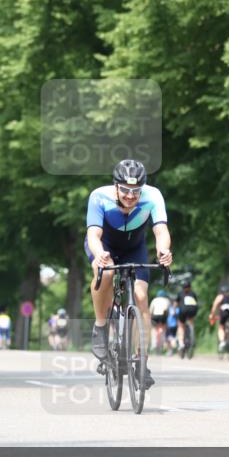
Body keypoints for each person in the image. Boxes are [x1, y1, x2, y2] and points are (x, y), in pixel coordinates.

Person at [86, 160, 173, 388]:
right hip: (105, 245)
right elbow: (93, 234)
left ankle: (141, 363)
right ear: (116, 186)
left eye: (136, 191)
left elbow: (161, 230)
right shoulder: (99, 197)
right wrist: (100, 254)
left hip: (135, 247)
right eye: (125, 190)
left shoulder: (153, 196)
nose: (130, 196)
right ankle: (101, 327)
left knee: (142, 298)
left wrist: (163, 251)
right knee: (103, 273)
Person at [208, 284, 229, 352]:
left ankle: (222, 342)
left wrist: (212, 315)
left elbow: (215, 306)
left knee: (221, 326)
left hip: (224, 313)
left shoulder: (220, 297)